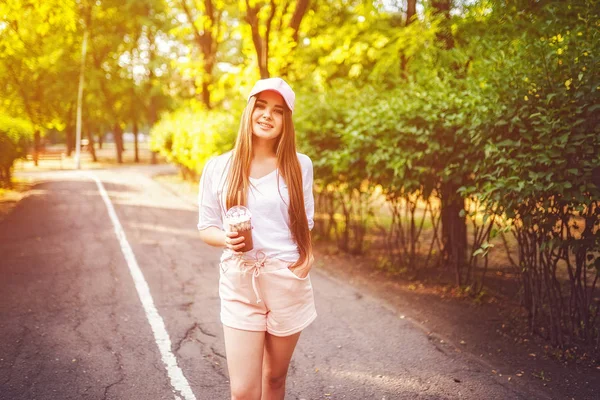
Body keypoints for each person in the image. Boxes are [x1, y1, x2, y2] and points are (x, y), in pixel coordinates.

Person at [197, 77, 316, 400]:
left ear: (286, 121)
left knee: (274, 380)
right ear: (249, 110)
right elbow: (206, 226)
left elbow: (304, 224)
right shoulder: (219, 166)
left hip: (285, 281)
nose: (267, 115)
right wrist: (226, 240)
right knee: (244, 392)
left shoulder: (299, 165)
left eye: (278, 110)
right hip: (240, 282)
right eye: (261, 106)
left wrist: (305, 262)